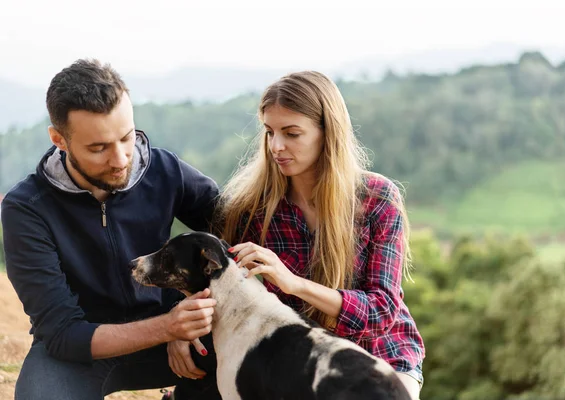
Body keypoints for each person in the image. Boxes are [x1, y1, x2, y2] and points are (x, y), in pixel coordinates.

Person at [1, 59, 221, 399]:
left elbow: (238, 231)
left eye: (126, 137)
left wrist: (189, 314)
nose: (120, 159)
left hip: (179, 337)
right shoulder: (26, 208)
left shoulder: (164, 169)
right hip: (81, 353)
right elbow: (62, 334)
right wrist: (168, 327)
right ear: (59, 139)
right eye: (98, 147)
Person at [218, 71, 426, 399]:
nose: (276, 146)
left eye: (292, 133)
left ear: (327, 133)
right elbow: (218, 284)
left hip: (382, 357)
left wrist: (294, 284)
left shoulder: (377, 198)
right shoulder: (252, 210)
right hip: (301, 364)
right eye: (270, 132)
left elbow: (381, 312)